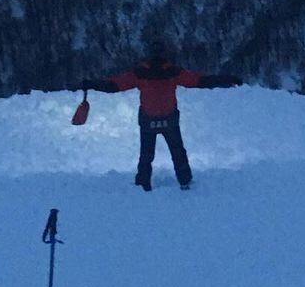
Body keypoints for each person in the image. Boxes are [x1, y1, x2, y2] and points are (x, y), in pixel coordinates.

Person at [83, 39, 241, 191]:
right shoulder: (173, 71)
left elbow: (113, 85)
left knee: (146, 155)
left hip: (148, 119)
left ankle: (143, 184)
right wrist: (227, 79)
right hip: (169, 118)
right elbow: (201, 81)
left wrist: (90, 83)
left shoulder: (140, 72)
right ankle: (185, 181)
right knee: (177, 151)